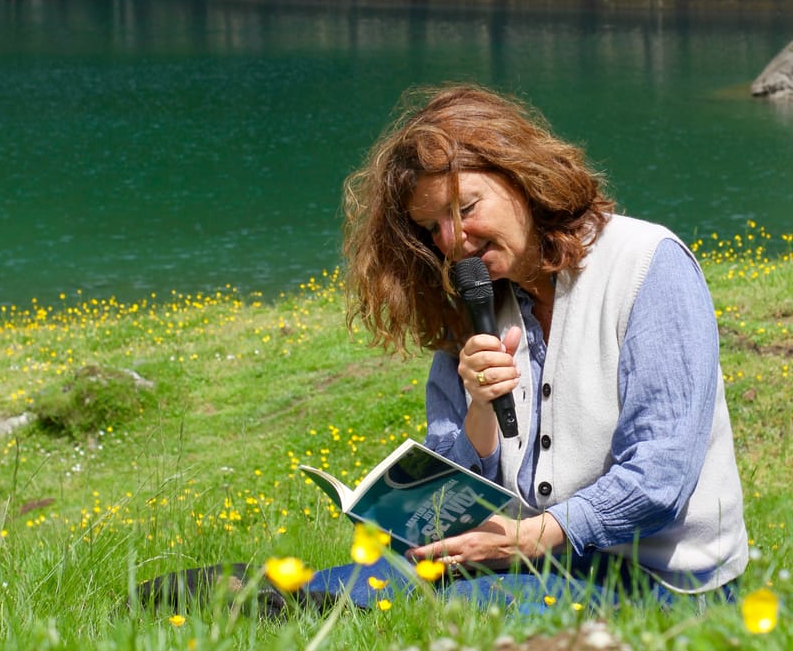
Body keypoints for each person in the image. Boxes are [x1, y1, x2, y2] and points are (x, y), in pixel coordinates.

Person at [303, 83, 748, 615]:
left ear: (522, 177)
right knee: (350, 585)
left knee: (424, 606)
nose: (452, 239)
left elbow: (660, 477)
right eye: (432, 227)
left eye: (466, 207)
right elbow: (448, 506)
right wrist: (479, 410)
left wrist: (532, 537)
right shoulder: (470, 301)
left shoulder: (647, 265)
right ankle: (229, 591)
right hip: (529, 561)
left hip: (661, 580)